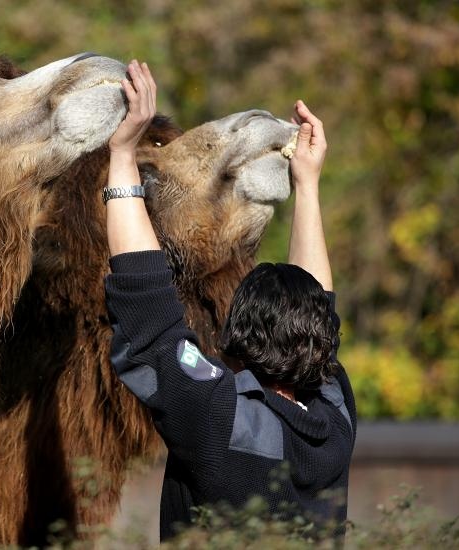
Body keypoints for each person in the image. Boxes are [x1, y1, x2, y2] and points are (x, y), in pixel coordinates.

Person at [103, 60, 356, 539]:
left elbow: (151, 319)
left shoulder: (220, 417)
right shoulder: (334, 422)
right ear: (321, 341)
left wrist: (121, 157)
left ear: (234, 337)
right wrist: (307, 185)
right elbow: (318, 307)